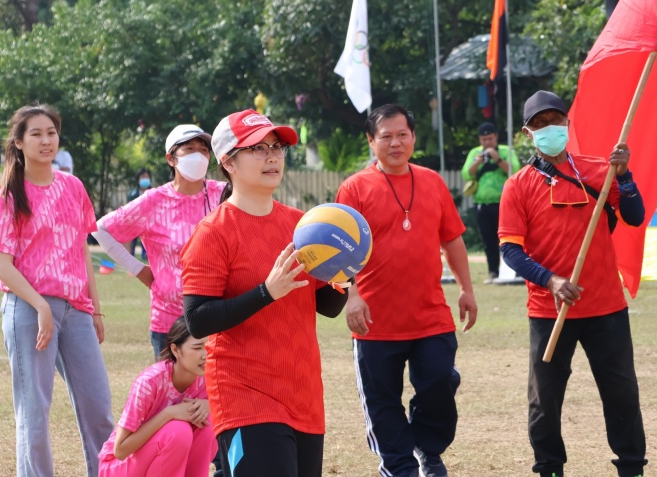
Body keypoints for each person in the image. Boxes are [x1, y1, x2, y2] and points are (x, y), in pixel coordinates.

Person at [181, 110, 349, 477]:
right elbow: (197, 320)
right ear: (228, 162)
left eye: (276, 147)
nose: (272, 156)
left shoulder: (303, 226)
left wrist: (345, 272)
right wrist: (266, 292)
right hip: (244, 397)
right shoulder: (213, 232)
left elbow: (328, 305)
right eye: (257, 148)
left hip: (303, 395)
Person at [497, 91, 647, 477]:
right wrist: (550, 280)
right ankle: (549, 468)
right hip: (549, 310)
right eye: (540, 124)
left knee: (622, 394)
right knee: (544, 400)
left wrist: (625, 176)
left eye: (555, 120)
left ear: (568, 123)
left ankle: (632, 468)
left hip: (606, 307)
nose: (549, 128)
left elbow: (634, 216)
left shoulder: (600, 170)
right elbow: (510, 251)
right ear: (528, 133)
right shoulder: (517, 186)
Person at [336, 104, 478, 477]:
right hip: (374, 321)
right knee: (382, 402)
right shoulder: (354, 188)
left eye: (402, 135)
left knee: (440, 382)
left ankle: (428, 449)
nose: (395, 143)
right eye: (386, 136)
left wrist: (466, 289)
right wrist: (352, 295)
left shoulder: (432, 182)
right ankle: (400, 467)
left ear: (413, 137)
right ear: (371, 141)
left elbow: (452, 240)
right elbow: (337, 249)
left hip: (430, 316)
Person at [0, 104, 113, 477]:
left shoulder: (73, 186)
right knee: (34, 416)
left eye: (51, 132)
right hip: (28, 310)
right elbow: (2, 265)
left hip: (76, 311)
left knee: (99, 409)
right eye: (36, 134)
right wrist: (40, 307)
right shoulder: (9, 195)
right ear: (19, 143)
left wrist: (94, 308)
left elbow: (81, 250)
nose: (46, 140)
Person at [93, 125, 224, 360]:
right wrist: (139, 270)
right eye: (189, 149)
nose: (198, 156)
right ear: (171, 159)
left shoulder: (224, 195)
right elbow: (101, 230)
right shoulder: (153, 201)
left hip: (217, 318)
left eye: (203, 150)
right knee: (170, 384)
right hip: (169, 322)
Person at [98, 317, 216, 477]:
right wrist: (169, 414)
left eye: (208, 346)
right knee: (178, 431)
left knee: (209, 422)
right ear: (175, 350)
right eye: (197, 348)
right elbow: (120, 450)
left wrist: (209, 405)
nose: (206, 354)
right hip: (120, 466)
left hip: (161, 464)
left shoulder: (209, 377)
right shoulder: (149, 382)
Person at [460, 122, 522, 283]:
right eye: (484, 139)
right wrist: (477, 162)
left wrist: (497, 159)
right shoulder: (475, 152)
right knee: (489, 241)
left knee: (509, 239)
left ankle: (515, 272)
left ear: (496, 137)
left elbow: (515, 171)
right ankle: (493, 272)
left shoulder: (506, 151)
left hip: (504, 203)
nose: (487, 142)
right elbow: (466, 174)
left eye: (490, 139)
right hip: (482, 204)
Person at [125, 167, 153, 259]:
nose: (145, 179)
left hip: (149, 223)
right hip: (135, 222)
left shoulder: (154, 193)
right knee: (131, 242)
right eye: (142, 177)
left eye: (147, 177)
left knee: (147, 243)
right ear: (138, 179)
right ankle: (130, 256)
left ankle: (146, 256)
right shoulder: (132, 194)